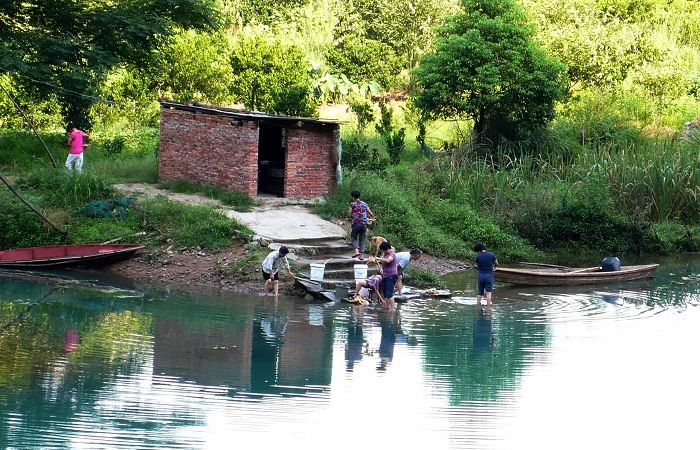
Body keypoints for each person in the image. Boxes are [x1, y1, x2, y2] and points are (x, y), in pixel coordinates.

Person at [348, 190, 375, 260]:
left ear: (353, 197)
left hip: (356, 224)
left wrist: (353, 216)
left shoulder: (353, 204)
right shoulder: (364, 204)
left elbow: (349, 214)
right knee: (362, 239)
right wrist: (369, 219)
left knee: (354, 237)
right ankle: (361, 256)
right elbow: (371, 214)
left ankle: (357, 251)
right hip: (364, 224)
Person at [375, 241, 399, 309]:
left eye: (384, 250)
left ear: (388, 249)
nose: (383, 252)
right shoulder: (385, 255)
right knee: (385, 293)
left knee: (389, 293)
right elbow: (382, 261)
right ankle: (386, 307)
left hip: (391, 275)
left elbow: (388, 260)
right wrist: (376, 261)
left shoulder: (392, 254)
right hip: (385, 275)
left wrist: (379, 258)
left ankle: (391, 309)